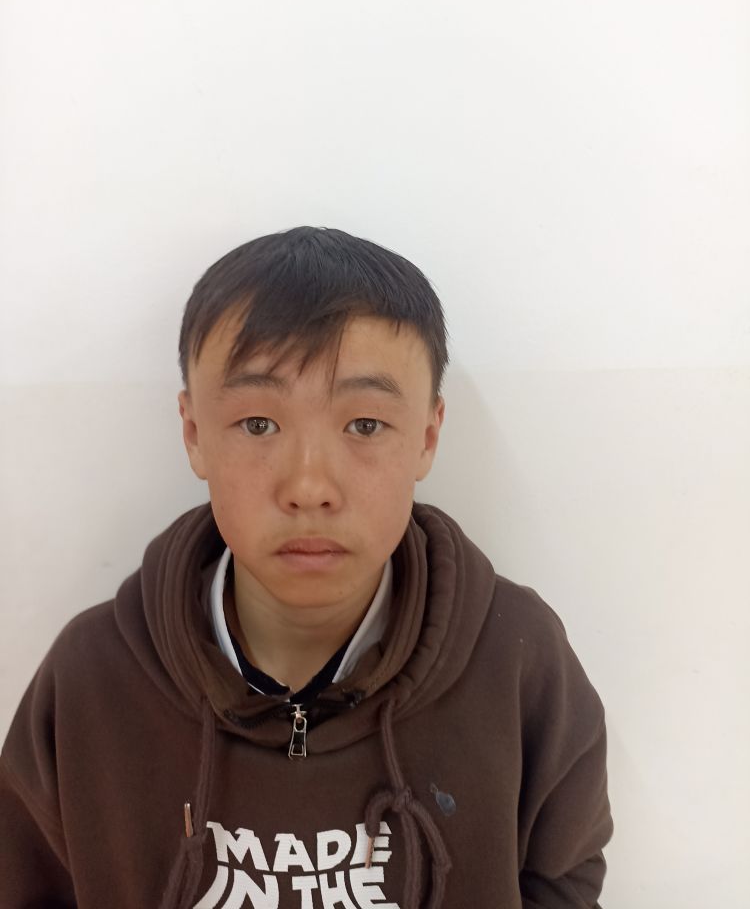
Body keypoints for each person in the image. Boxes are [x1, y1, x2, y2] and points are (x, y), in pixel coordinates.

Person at [0, 226, 613, 908]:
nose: (309, 486)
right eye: (259, 424)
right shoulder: (90, 680)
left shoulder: (518, 660)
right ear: (194, 432)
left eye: (365, 425)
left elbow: (563, 873)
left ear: (427, 436)